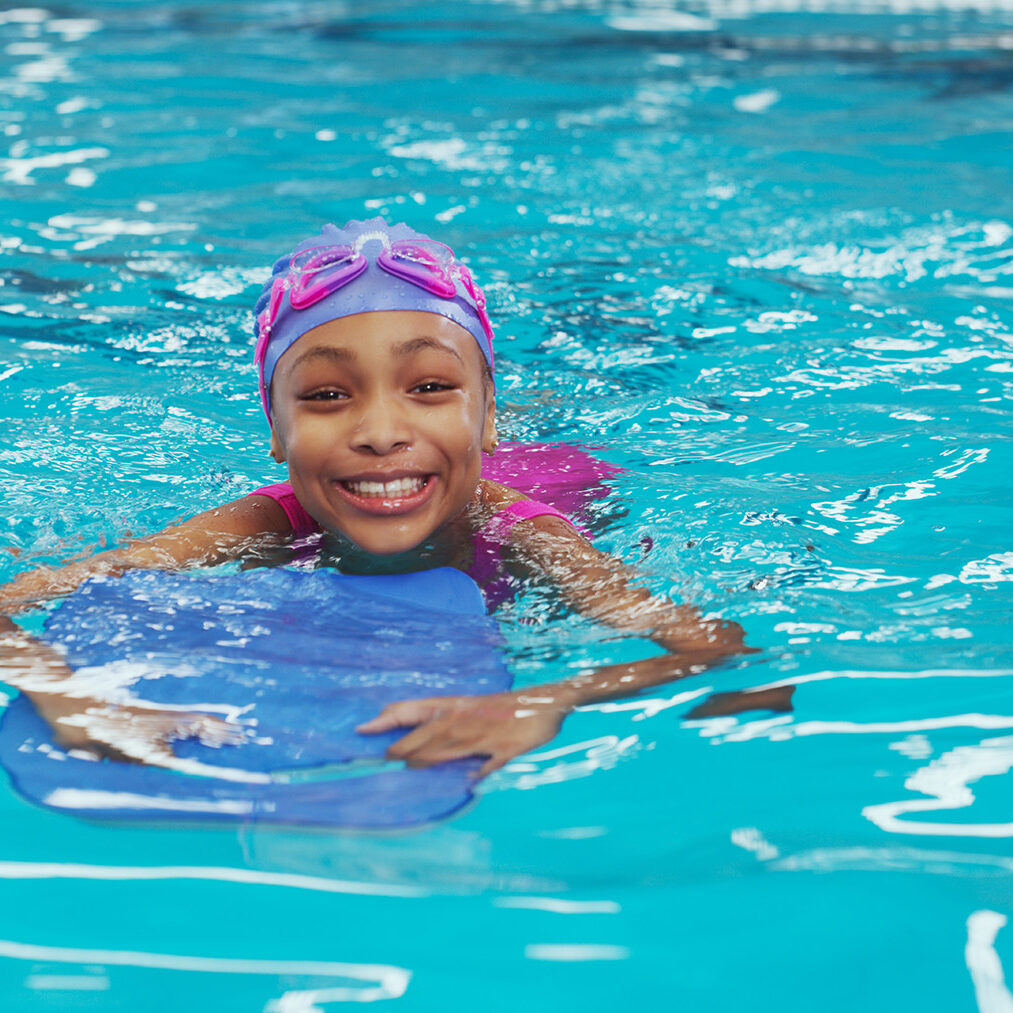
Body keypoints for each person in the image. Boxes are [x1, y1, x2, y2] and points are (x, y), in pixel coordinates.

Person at [0, 218, 756, 779]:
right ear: (276, 428)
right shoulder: (263, 523)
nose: (380, 431)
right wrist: (68, 695)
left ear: (485, 415)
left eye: (429, 387)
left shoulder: (525, 534)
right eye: (328, 395)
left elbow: (711, 643)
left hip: (556, 469)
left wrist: (546, 697)